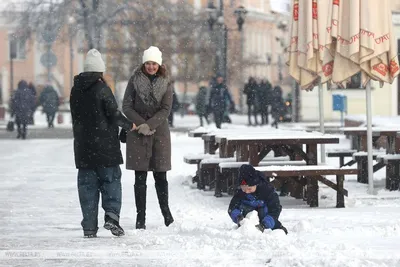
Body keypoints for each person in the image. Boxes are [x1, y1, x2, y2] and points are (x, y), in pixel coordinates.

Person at [70, 49, 136, 238]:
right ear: (100, 71)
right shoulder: (102, 88)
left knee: (87, 188)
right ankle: (112, 217)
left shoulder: (76, 90)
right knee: (111, 182)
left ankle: (89, 227)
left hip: (83, 149)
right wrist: (129, 125)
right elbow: (113, 114)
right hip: (106, 148)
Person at [122, 46, 174, 230]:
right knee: (140, 177)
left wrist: (149, 125)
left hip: (159, 133)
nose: (151, 67)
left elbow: (166, 109)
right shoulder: (134, 80)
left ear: (159, 65)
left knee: (161, 176)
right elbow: (126, 106)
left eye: (154, 63)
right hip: (138, 133)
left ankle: (166, 214)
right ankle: (140, 217)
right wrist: (140, 124)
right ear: (144, 64)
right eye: (148, 63)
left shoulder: (166, 82)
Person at [228, 164, 288, 234]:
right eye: (243, 188)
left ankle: (275, 227)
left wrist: (265, 224)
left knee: (264, 212)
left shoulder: (267, 191)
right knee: (245, 207)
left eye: (249, 189)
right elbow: (232, 207)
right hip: (248, 220)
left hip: (265, 219)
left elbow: (275, 209)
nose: (246, 191)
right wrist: (238, 217)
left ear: (255, 184)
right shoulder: (240, 192)